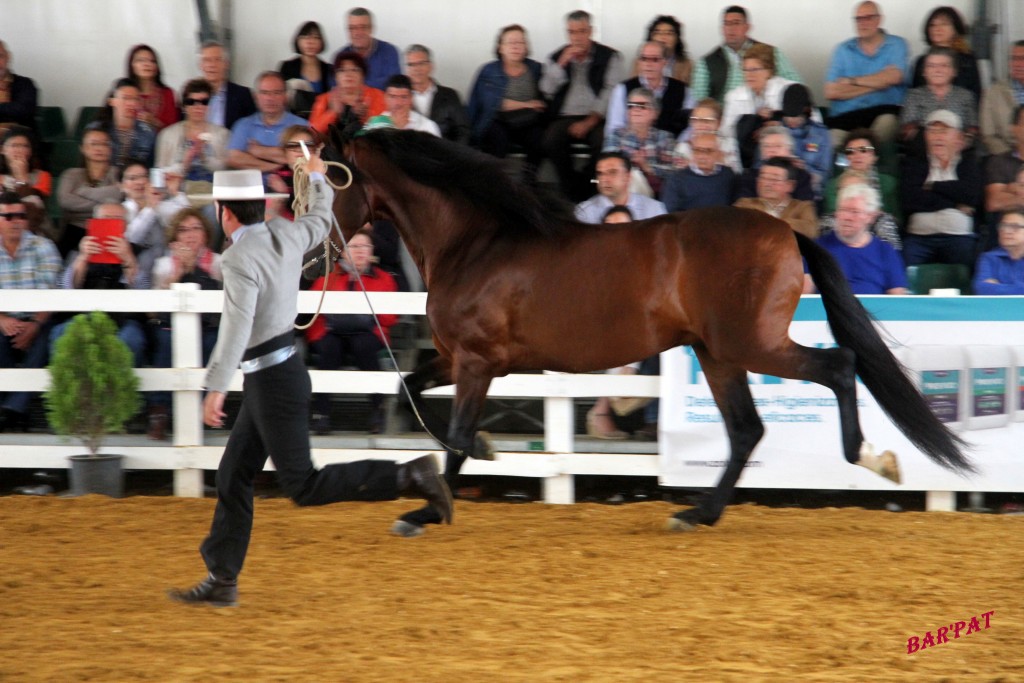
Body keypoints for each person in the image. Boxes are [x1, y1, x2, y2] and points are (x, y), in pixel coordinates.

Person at [167, 166, 452, 607]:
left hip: (271, 380)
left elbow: (237, 327)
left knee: (304, 486)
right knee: (233, 474)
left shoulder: (238, 258)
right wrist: (318, 179)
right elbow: (321, 218)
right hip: (279, 374)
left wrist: (217, 386)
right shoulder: (285, 232)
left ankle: (407, 475)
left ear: (224, 212)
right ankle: (222, 578)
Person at [306, 227, 397, 435]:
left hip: (369, 332)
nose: (360, 251)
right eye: (354, 246)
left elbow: (390, 317)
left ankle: (378, 411)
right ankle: (321, 414)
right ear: (343, 251)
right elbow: (313, 307)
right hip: (331, 331)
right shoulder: (328, 275)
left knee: (363, 345)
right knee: (329, 348)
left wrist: (366, 317)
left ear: (372, 250)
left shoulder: (384, 279)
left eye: (365, 246)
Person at [148, 208, 223, 440]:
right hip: (170, 326)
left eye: (196, 228)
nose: (190, 235)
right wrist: (175, 276)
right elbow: (154, 309)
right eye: (183, 230)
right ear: (174, 236)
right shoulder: (163, 265)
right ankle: (160, 413)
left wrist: (195, 269)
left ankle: (199, 411)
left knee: (210, 343)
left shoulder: (218, 263)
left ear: (206, 234)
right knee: (166, 341)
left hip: (209, 326)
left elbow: (217, 302)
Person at [539, 10, 624, 202]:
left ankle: (587, 186)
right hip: (565, 116)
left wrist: (589, 121)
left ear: (591, 31)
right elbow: (546, 90)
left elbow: (611, 91)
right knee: (551, 140)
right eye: (572, 32)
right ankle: (571, 189)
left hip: (597, 116)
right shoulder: (556, 57)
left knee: (604, 141)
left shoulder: (610, 56)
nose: (577, 37)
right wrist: (561, 64)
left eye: (582, 31)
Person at [51, 202, 147, 368]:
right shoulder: (79, 250)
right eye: (106, 219)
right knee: (60, 333)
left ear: (125, 226)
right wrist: (83, 258)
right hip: (84, 316)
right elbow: (65, 288)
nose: (111, 223)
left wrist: (128, 259)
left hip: (123, 319)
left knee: (132, 339)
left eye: (117, 220)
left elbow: (145, 292)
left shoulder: (137, 252)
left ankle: (121, 385)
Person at [0, 192, 61, 432]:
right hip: (3, 319)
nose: (16, 221)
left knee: (46, 338)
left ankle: (12, 409)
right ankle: (14, 409)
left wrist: (35, 324)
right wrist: (2, 319)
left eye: (21, 216)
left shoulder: (43, 247)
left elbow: (52, 293)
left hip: (39, 318)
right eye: (9, 216)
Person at [901, 109, 982, 268]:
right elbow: (910, 199)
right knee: (904, 264)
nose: (937, 137)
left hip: (959, 236)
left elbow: (972, 195)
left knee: (969, 264)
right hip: (919, 237)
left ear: (958, 137)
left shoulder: (967, 163)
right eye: (932, 131)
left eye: (944, 131)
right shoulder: (915, 163)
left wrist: (932, 186)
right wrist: (955, 204)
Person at [823, 2, 909, 147]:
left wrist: (852, 81)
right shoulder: (842, 50)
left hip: (882, 114)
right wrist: (879, 83)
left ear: (879, 19)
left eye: (868, 18)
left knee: (887, 124)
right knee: (828, 141)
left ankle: (868, 157)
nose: (862, 23)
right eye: (858, 19)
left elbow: (895, 77)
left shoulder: (897, 45)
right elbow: (831, 92)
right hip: (845, 119)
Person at [465, 24, 546, 173]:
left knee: (538, 140)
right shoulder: (488, 70)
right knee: (498, 141)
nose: (515, 46)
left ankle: (528, 181)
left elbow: (546, 96)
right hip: (496, 119)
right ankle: (497, 181)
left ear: (526, 47)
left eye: (520, 42)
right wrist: (527, 104)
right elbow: (493, 103)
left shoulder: (536, 68)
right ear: (500, 47)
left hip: (527, 121)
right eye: (510, 42)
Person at [805, 183, 907, 295]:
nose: (847, 217)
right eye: (843, 210)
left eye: (855, 212)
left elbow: (897, 298)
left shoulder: (885, 251)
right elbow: (804, 297)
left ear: (870, 217)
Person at [689, 5, 801, 104]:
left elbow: (797, 87)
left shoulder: (772, 53)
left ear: (747, 27)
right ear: (722, 29)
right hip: (722, 117)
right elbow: (699, 100)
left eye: (736, 23)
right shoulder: (706, 62)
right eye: (727, 24)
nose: (731, 28)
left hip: (767, 114)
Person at [719, 42, 799, 165]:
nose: (749, 75)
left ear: (769, 71)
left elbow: (808, 124)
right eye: (745, 70)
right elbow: (726, 133)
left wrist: (779, 124)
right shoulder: (734, 96)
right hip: (746, 156)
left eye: (754, 69)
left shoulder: (790, 90)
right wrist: (750, 124)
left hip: (784, 153)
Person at [119, 159, 190, 289]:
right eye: (133, 178)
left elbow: (187, 219)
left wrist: (175, 192)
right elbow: (132, 238)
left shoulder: (160, 204)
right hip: (133, 267)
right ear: (122, 185)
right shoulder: (121, 210)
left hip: (164, 263)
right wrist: (150, 208)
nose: (140, 182)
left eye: (143, 177)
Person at [56, 128, 122, 257]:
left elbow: (118, 195)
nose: (99, 148)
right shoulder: (71, 174)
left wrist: (82, 192)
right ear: (83, 148)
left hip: (108, 226)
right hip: (75, 227)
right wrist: (103, 205)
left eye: (104, 144)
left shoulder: (116, 173)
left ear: (110, 149)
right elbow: (65, 201)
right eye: (94, 144)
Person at [899, 47, 977, 155]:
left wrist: (963, 143)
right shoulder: (914, 96)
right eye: (931, 66)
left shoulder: (965, 96)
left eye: (944, 66)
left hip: (959, 152)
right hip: (923, 153)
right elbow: (908, 131)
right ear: (924, 72)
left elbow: (972, 128)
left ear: (954, 71)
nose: (937, 70)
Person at [605, 41, 689, 141]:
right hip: (630, 145)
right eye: (644, 59)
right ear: (639, 62)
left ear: (665, 62)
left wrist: (678, 145)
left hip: (672, 146)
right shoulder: (623, 89)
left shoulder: (683, 89)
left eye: (655, 59)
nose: (649, 64)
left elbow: (690, 126)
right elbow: (614, 126)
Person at [227, 72, 308, 175]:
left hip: (289, 184)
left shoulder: (301, 125)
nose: (270, 98)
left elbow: (302, 158)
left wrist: (260, 151)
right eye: (264, 93)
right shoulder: (243, 125)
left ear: (285, 96)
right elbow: (233, 159)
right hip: (251, 184)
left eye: (276, 93)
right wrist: (276, 167)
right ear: (256, 97)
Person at [155, 79, 230, 188]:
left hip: (213, 192)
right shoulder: (167, 135)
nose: (198, 107)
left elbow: (227, 171)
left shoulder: (223, 134)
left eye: (204, 102)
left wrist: (204, 157)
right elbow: (159, 175)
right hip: (178, 193)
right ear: (184, 106)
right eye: (191, 102)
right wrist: (185, 163)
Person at [602, 87, 675, 195]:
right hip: (623, 191)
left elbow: (674, 171)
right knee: (633, 176)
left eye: (642, 106)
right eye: (631, 106)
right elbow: (607, 167)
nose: (636, 109)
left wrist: (646, 166)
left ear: (655, 113)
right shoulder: (615, 136)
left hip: (659, 194)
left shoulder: (665, 137)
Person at [734, 156, 818, 238]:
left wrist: (773, 222)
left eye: (774, 179)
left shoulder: (802, 207)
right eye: (763, 178)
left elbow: (812, 230)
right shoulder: (745, 204)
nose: (767, 184)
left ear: (790, 185)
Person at [823, 128, 900, 218]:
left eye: (863, 150)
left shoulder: (888, 183)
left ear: (875, 157)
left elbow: (896, 218)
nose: (857, 155)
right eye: (850, 151)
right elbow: (832, 215)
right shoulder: (833, 185)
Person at [911, 7, 982, 104]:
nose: (937, 29)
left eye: (944, 24)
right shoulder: (921, 61)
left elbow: (975, 95)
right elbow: (915, 96)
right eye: (932, 25)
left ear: (955, 29)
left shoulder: (967, 60)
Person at [819, 169, 901, 250]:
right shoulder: (828, 220)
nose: (850, 194)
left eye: (856, 189)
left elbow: (891, 249)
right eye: (845, 189)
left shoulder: (882, 219)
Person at [574, 151, 666, 223]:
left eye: (612, 172)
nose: (604, 179)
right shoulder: (584, 213)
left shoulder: (654, 210)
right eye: (600, 174)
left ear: (628, 177)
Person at [404, 44, 469, 144]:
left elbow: (463, 131)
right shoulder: (401, 98)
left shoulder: (450, 95)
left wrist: (453, 152)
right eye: (411, 65)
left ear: (431, 66)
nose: (416, 69)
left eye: (421, 63)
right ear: (406, 69)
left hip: (445, 151)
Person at [777, 84, 832, 201]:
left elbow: (825, 174)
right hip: (778, 191)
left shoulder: (820, 133)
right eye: (788, 115)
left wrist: (804, 170)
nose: (791, 120)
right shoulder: (775, 132)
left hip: (810, 194)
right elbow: (759, 167)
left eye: (797, 116)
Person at [309, 51, 385, 134]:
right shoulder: (324, 99)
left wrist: (365, 117)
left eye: (354, 70)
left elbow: (385, 129)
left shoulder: (378, 96)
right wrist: (333, 112)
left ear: (363, 75)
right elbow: (313, 132)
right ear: (335, 76)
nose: (348, 74)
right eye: (342, 70)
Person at [88, 78, 156, 168]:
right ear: (112, 101)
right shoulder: (96, 130)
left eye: (136, 99)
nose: (132, 103)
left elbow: (150, 168)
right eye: (126, 98)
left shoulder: (147, 133)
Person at [735, 125, 814, 201]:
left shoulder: (801, 177)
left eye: (778, 146)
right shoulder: (749, 177)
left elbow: (805, 205)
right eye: (767, 146)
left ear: (789, 150)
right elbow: (743, 203)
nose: (772, 150)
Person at [662, 132, 736, 212]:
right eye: (697, 150)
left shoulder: (728, 175)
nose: (702, 156)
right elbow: (672, 212)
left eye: (708, 151)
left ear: (718, 153)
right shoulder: (676, 179)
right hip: (688, 220)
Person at [0, 126, 53, 238]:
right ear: (2, 150)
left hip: (35, 231)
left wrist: (22, 178)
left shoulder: (42, 176)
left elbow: (34, 214)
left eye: (25, 146)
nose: (20, 150)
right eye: (14, 145)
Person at [334, 7, 401, 91]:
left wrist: (353, 85)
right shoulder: (341, 56)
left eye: (362, 27)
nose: (357, 33)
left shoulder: (389, 52)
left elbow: (394, 87)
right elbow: (336, 89)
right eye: (353, 28)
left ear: (371, 28)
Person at [267, 125, 323, 222]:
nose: (300, 150)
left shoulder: (325, 176)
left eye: (307, 145)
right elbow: (270, 219)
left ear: (316, 151)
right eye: (293, 146)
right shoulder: (278, 178)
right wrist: (282, 195)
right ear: (285, 152)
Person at [198, 41, 256, 132]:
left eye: (217, 59)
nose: (212, 65)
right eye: (207, 60)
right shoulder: (192, 95)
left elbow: (252, 128)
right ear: (200, 65)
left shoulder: (243, 95)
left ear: (226, 64)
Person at [279, 21, 334, 115]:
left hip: (321, 118)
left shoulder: (329, 69)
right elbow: (280, 98)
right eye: (305, 37)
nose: (310, 42)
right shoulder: (287, 67)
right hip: (294, 119)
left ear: (321, 42)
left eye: (316, 37)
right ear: (298, 41)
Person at [980, 40, 1024, 156]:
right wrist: (1013, 156)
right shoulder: (994, 92)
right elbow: (989, 135)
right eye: (1014, 59)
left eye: (1022, 59)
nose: (1017, 64)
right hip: (1007, 156)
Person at [673, 98, 741, 172]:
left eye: (707, 121)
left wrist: (721, 160)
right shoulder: (683, 147)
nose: (700, 125)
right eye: (696, 120)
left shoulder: (730, 145)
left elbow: (736, 173)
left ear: (719, 123)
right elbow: (677, 174)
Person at [125, 44, 179, 131]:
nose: (147, 64)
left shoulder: (167, 93)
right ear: (131, 65)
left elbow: (173, 129)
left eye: (152, 61)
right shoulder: (126, 93)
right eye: (141, 60)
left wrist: (153, 121)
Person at [972, 209, 1024, 294]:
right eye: (1003, 226)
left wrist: (997, 287)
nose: (1007, 231)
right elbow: (982, 288)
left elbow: (990, 289)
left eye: (1015, 227)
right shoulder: (989, 258)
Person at [630, 15, 692, 84]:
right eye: (658, 33)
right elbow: (633, 87)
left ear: (677, 39)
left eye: (669, 33)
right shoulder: (639, 62)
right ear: (650, 37)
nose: (663, 37)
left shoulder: (686, 64)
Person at [0, 40, 38, 133]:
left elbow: (22, 111)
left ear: (8, 57)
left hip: (18, 138)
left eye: (0, 56)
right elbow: (14, 110)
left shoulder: (25, 84)